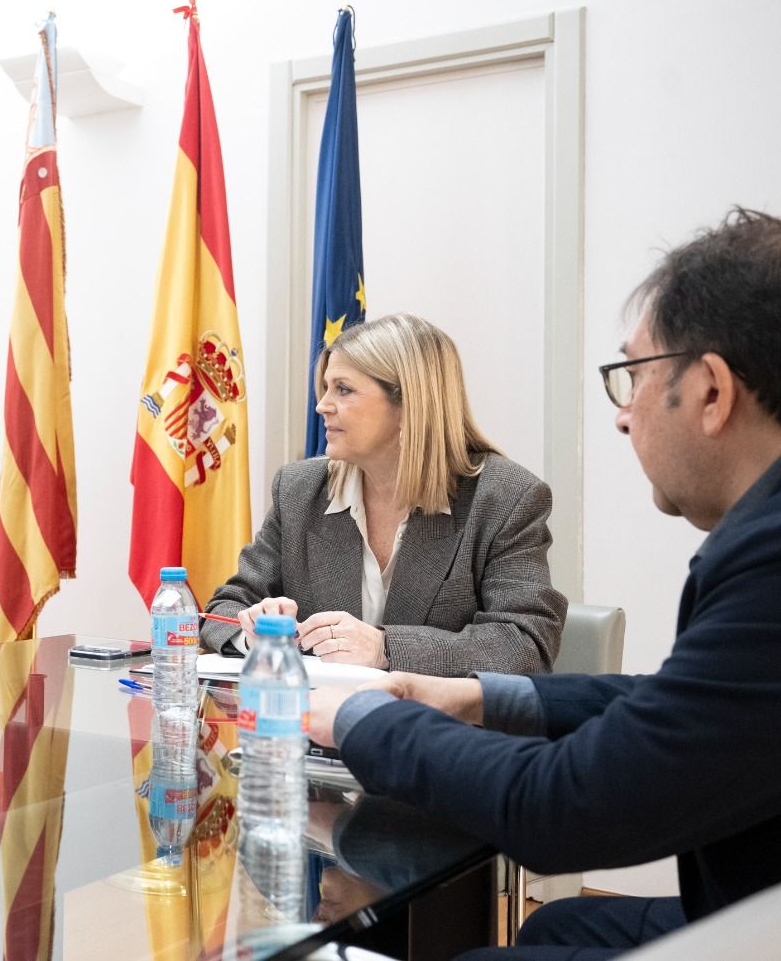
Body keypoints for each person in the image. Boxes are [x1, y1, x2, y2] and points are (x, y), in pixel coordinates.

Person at [308, 209, 781, 958]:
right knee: (556, 926)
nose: (623, 419)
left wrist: (367, 720)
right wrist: (476, 696)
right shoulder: (301, 490)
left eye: (633, 377)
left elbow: (563, 806)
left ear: (713, 392)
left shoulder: (767, 560)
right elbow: (686, 703)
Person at [199, 313, 566, 676]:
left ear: (409, 404)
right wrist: (255, 633)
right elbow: (226, 607)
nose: (322, 405)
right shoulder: (300, 491)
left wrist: (384, 648)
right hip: (317, 725)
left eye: (343, 389)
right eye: (326, 388)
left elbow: (524, 646)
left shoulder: (504, 499)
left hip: (442, 729)